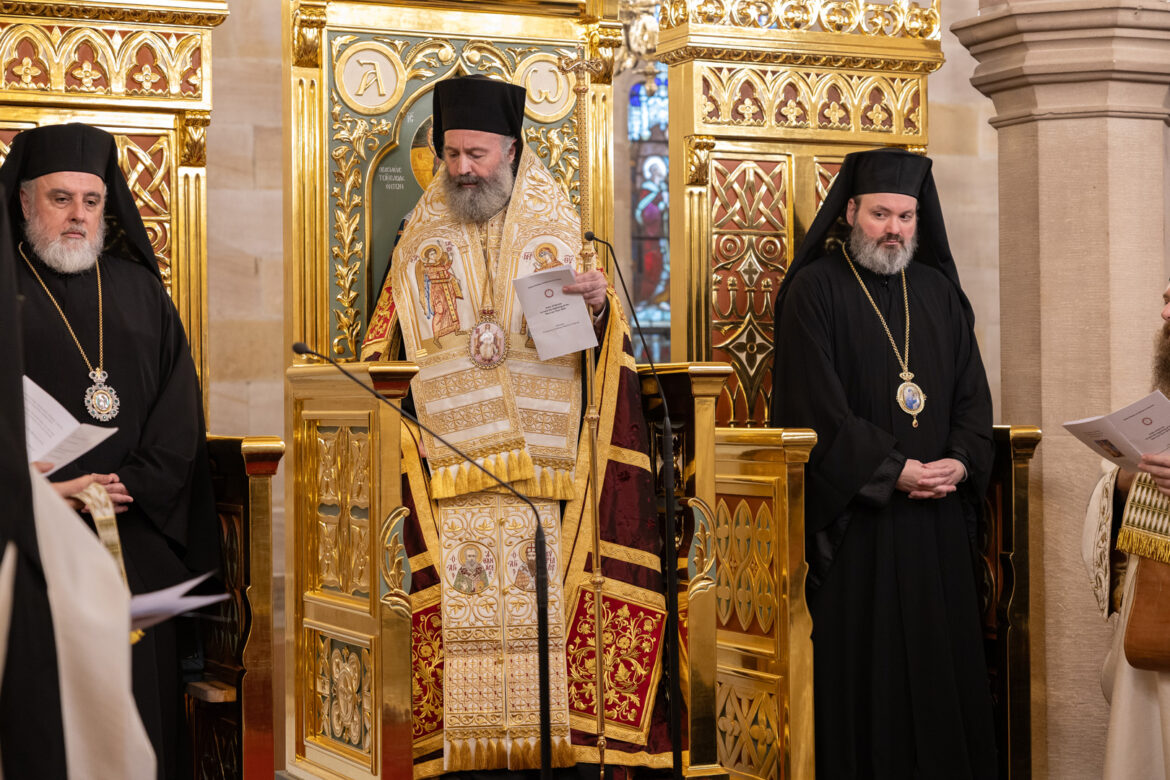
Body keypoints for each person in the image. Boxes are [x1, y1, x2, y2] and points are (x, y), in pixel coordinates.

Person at [362, 76, 671, 778]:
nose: (462, 169)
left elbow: (602, 363)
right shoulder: (416, 241)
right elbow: (379, 349)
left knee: (543, 652)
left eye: (476, 154)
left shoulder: (562, 230)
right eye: (451, 154)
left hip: (546, 481)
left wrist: (598, 310)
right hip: (449, 476)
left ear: (510, 148)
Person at [0, 123, 220, 780]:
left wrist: (133, 484)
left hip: (132, 525)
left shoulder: (142, 293)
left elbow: (180, 411)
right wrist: (40, 493)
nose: (78, 215)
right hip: (27, 534)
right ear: (24, 201)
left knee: (141, 693)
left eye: (91, 201)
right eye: (60, 198)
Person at [770, 147, 997, 778]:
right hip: (860, 528)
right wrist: (891, 469)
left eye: (905, 216)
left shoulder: (939, 293)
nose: (893, 229)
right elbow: (812, 405)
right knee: (871, 681)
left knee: (939, 671)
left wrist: (960, 461)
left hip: (936, 526)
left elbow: (974, 399)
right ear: (850, 212)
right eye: (880, 215)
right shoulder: (815, 290)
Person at [1082, 280, 1170, 779]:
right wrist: (1123, 480)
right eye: (1165, 300)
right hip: (1152, 613)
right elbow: (1114, 503)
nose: (1165, 315)